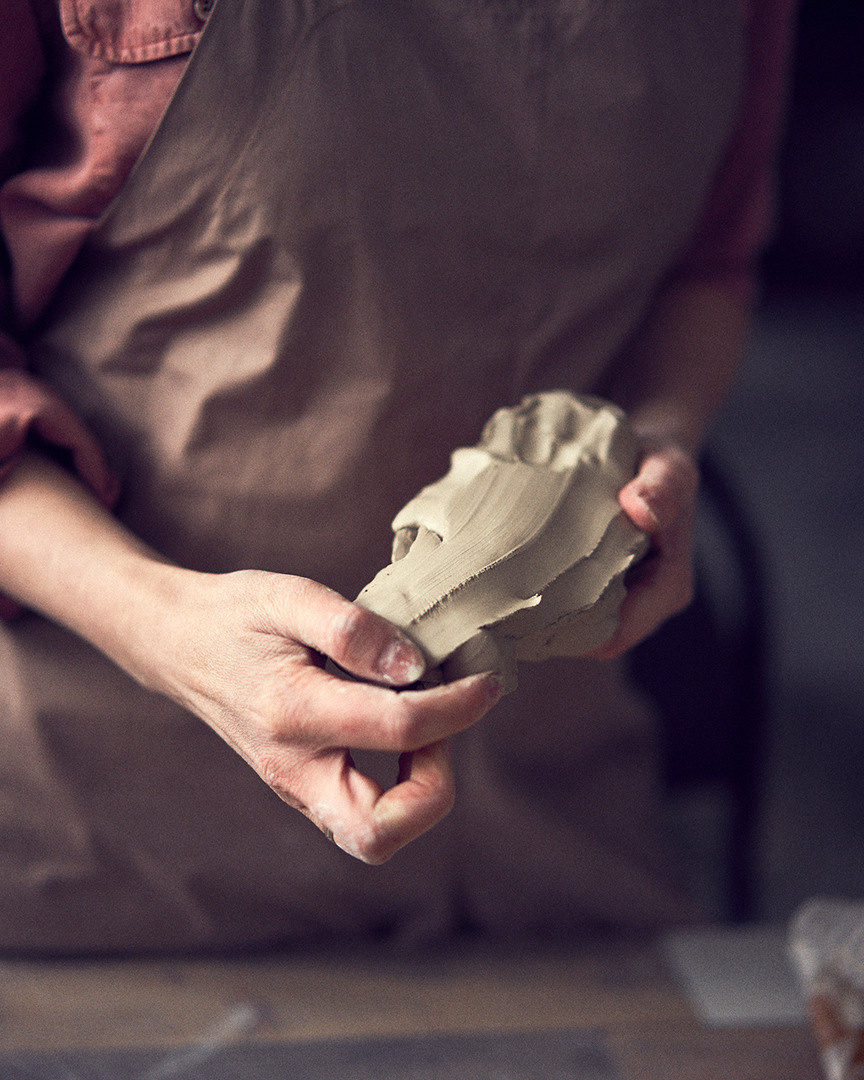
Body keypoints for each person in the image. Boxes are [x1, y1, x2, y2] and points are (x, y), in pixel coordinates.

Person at [0, 0, 796, 954]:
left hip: (551, 827)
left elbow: (708, 262)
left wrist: (663, 433)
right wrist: (162, 626)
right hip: (120, 829)